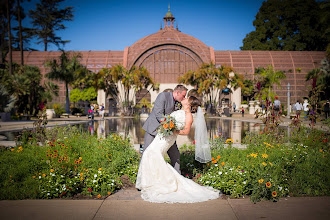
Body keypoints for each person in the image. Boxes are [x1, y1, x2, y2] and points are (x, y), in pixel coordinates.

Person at [136, 96, 220, 203]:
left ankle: (165, 183)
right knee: (150, 153)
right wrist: (166, 125)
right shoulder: (179, 110)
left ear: (188, 104)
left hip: (168, 138)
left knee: (152, 153)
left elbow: (186, 132)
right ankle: (151, 182)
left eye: (186, 98)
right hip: (162, 136)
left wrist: (172, 130)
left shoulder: (189, 116)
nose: (184, 98)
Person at [142, 85, 187, 174]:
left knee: (175, 155)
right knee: (146, 154)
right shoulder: (163, 96)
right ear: (177, 92)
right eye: (183, 95)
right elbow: (158, 114)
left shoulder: (178, 102)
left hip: (168, 132)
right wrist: (170, 126)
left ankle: (178, 176)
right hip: (153, 130)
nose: (184, 98)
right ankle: (143, 177)